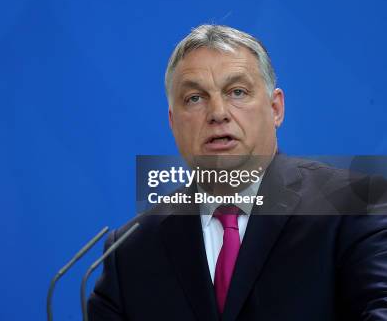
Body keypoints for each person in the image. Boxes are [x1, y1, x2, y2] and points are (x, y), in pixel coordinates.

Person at [88, 25, 387, 320]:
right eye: (195, 98)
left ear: (276, 109)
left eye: (237, 92)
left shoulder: (354, 207)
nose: (218, 112)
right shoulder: (129, 251)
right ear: (172, 122)